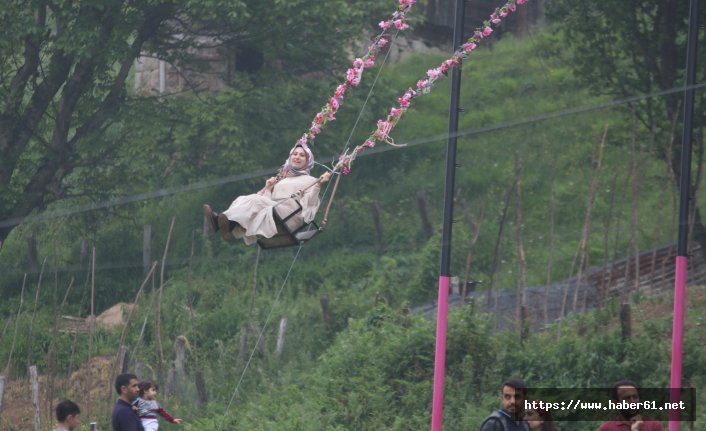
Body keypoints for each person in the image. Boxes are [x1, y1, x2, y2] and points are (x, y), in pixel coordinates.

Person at [203, 143, 331, 245]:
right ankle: (225, 224)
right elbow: (269, 202)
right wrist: (268, 189)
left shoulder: (311, 181)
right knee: (243, 199)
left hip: (290, 216)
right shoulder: (283, 179)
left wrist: (318, 185)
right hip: (276, 212)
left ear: (308, 161)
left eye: (302, 155)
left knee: (253, 200)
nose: (297, 157)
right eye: (295, 154)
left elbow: (310, 204)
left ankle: (227, 222)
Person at [599, 380, 664, 431]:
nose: (633, 401)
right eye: (627, 398)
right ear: (616, 403)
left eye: (635, 397)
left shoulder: (654, 426)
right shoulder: (607, 428)